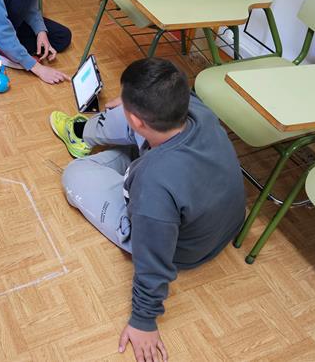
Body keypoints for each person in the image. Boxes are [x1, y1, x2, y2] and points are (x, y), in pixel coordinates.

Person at [50, 58, 245, 361]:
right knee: (121, 123)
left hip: (184, 246)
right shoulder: (196, 109)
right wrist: (127, 106)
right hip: (222, 218)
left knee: (74, 174)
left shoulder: (154, 187)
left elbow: (153, 260)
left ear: (138, 120)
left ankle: (105, 147)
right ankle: (103, 137)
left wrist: (143, 320)